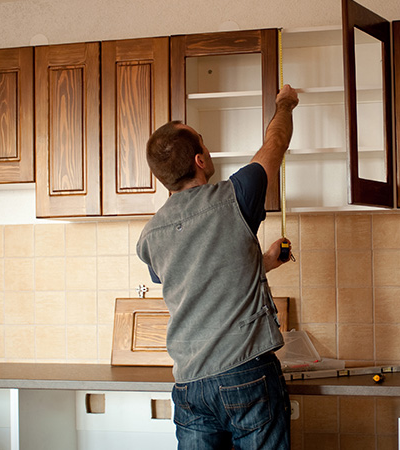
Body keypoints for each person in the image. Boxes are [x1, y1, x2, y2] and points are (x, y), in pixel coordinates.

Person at [136, 84, 299, 449]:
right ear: (199, 161)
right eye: (203, 144)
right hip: (247, 374)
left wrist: (264, 264)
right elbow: (275, 145)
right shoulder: (236, 196)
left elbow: (197, 277)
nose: (207, 150)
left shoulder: (150, 237)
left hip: (190, 386)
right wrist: (285, 104)